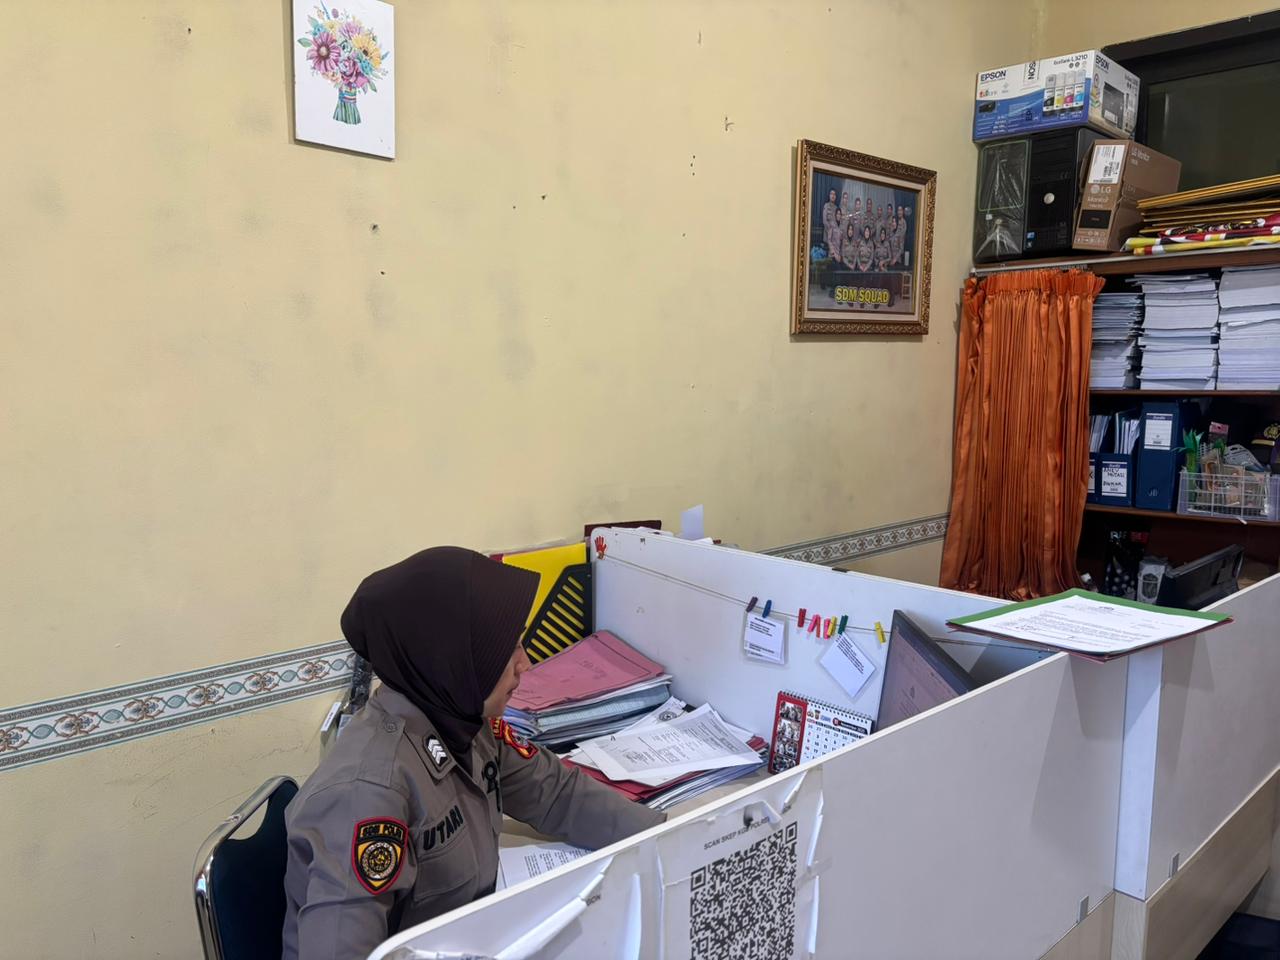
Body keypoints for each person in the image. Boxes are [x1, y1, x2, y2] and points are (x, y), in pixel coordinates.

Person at [280, 547, 665, 959]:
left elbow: (557, 793)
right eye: (507, 649)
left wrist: (673, 836)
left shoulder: (465, 721)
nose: (526, 664)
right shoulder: (367, 795)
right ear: (449, 657)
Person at [822, 188, 841, 260]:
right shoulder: (826, 206)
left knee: (834, 258)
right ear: (829, 195)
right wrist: (830, 232)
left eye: (834, 194)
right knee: (828, 259)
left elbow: (838, 223)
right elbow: (824, 221)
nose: (833, 196)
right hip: (827, 237)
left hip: (835, 239)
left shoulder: (836, 208)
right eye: (831, 194)